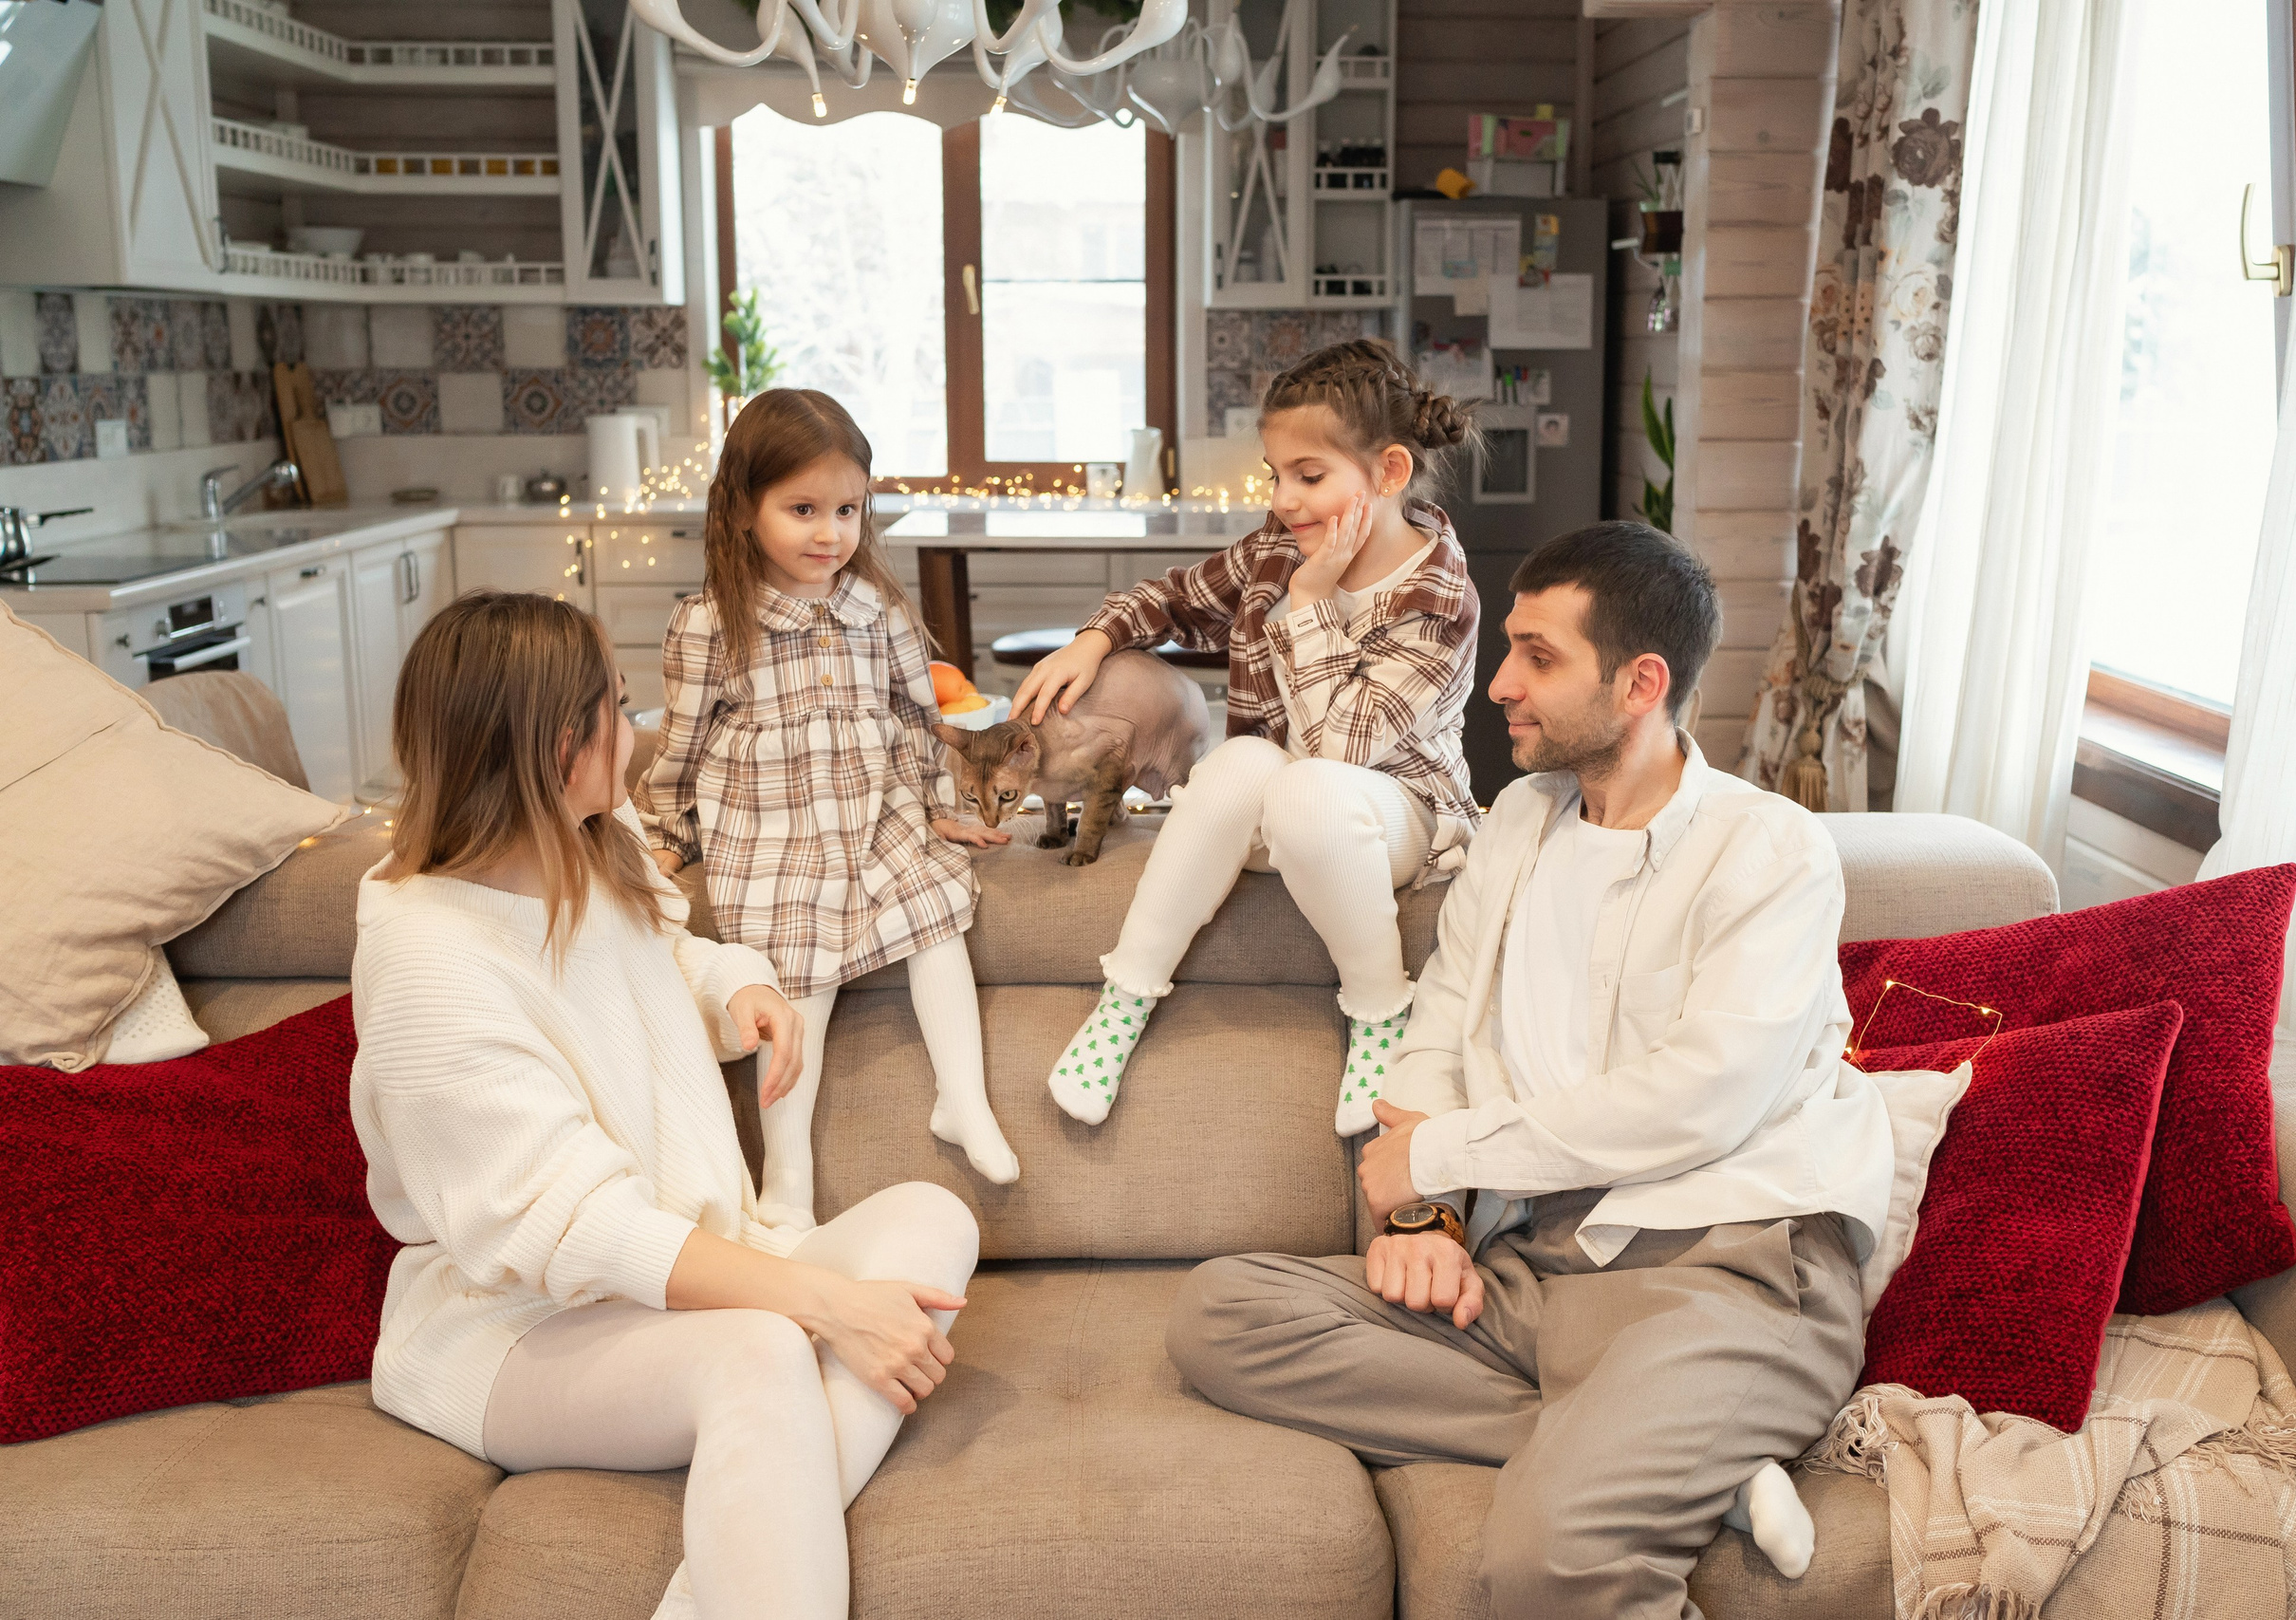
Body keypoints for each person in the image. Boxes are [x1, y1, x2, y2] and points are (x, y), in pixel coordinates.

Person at [1164, 523, 1898, 1618]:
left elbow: (1700, 1098)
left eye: (1538, 657)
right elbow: (1440, 1024)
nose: (1499, 682)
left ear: (1640, 683)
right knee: (1222, 1316)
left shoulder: (1769, 849)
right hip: (1538, 1268)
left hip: (1721, 1270)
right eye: (1509, 646)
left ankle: (1634, 1455)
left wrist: (1435, 1160)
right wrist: (1427, 1221)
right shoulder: (1520, 818)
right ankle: (1674, 1464)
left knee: (1544, 1565)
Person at [351, 591, 981, 1620]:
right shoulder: (428, 961)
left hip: (688, 1265)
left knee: (934, 1217)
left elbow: (659, 952)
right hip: (518, 1327)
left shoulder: (595, 840)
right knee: (762, 1348)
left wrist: (737, 986)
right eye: (616, 706)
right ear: (555, 745)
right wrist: (826, 1306)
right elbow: (576, 1228)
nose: (635, 729)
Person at [1014, 337, 1482, 1137]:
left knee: (1307, 785)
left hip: (1394, 817)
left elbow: (1338, 752)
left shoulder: (1440, 599)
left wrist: (1311, 600)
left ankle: (1379, 1013)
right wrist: (1095, 638)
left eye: (1310, 476)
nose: (1286, 499)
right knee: (1239, 763)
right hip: (1286, 805)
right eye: (1276, 475)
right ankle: (1124, 1002)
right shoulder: (1280, 544)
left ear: (1390, 472)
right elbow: (1176, 597)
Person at [640, 389, 1020, 1197]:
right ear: (743, 509)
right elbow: (683, 742)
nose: (829, 533)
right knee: (797, 979)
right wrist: (669, 831)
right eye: (803, 509)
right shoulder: (711, 622)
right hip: (773, 830)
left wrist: (937, 808)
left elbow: (915, 718)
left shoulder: (878, 609)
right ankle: (787, 1176)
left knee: (937, 919)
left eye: (847, 510)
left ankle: (963, 1100)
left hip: (877, 815)